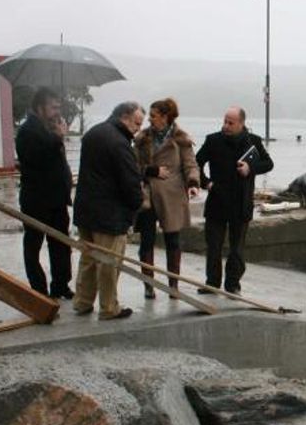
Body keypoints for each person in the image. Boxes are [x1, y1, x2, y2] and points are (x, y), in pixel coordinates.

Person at [71, 102, 145, 320]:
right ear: (124, 116)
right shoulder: (120, 143)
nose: (138, 129)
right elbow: (130, 182)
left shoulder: (94, 133)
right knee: (109, 263)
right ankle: (109, 307)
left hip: (86, 209)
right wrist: (137, 204)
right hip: (109, 214)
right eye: (136, 123)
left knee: (88, 259)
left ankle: (82, 302)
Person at [196, 106, 273, 294]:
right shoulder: (213, 140)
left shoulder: (253, 141)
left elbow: (268, 163)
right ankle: (212, 283)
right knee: (213, 246)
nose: (226, 126)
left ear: (241, 124)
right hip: (217, 199)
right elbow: (195, 163)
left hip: (241, 201)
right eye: (225, 121)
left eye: (231, 123)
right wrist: (206, 183)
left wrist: (250, 168)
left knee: (237, 248)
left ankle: (232, 284)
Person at [133, 98, 200, 299]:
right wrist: (150, 171)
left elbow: (190, 165)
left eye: (153, 116)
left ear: (165, 117)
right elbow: (130, 166)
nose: (149, 120)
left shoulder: (181, 139)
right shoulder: (142, 138)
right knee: (146, 241)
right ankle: (148, 285)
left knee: (173, 241)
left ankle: (173, 285)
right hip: (147, 196)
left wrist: (194, 183)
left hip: (172, 196)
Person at [15, 87, 73, 299]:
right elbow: (37, 160)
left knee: (60, 244)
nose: (57, 112)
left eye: (59, 107)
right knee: (33, 246)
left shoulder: (51, 128)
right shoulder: (28, 131)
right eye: (53, 107)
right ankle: (39, 290)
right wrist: (57, 139)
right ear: (40, 107)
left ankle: (61, 285)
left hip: (57, 200)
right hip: (36, 200)